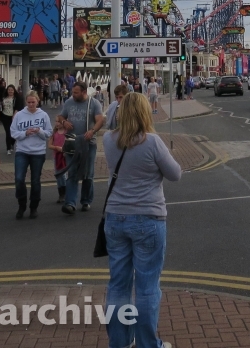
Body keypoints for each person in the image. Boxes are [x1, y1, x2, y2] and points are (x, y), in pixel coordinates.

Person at [102, 92, 181, 348]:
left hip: (115, 218)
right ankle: (149, 344)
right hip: (148, 217)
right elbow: (175, 174)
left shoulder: (108, 139)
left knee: (118, 285)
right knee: (147, 287)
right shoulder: (153, 142)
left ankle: (120, 341)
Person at [57, 81, 104, 215]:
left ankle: (86, 200)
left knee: (88, 174)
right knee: (72, 173)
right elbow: (60, 116)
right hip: (72, 142)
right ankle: (70, 203)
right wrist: (64, 121)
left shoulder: (94, 103)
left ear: (84, 92)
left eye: (76, 92)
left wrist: (92, 131)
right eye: (73, 92)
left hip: (88, 143)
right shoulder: (69, 102)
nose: (73, 94)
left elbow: (100, 120)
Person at [10, 92, 52, 219]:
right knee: (19, 179)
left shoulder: (43, 115)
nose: (31, 104)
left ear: (37, 101)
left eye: (33, 102)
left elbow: (49, 133)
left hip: (38, 152)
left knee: (35, 180)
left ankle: (34, 207)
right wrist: (25, 133)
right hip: (22, 151)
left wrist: (39, 131)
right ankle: (21, 204)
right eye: (29, 102)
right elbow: (13, 132)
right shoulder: (19, 115)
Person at [0, 84, 24, 155]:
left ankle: (12, 143)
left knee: (13, 132)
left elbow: (18, 107)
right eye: (9, 90)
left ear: (14, 91)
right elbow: (0, 106)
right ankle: (8, 148)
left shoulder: (17, 98)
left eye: (12, 90)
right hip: (5, 116)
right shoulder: (4, 98)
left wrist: (14, 115)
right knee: (8, 132)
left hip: (14, 117)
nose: (10, 91)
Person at [49, 120, 69, 203]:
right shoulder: (54, 133)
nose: (57, 123)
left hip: (65, 156)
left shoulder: (67, 132)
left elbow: (70, 143)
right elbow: (49, 145)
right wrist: (56, 148)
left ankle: (65, 193)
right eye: (56, 121)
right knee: (58, 175)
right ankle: (61, 194)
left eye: (59, 122)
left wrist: (64, 150)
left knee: (64, 175)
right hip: (57, 156)